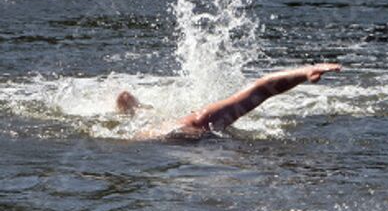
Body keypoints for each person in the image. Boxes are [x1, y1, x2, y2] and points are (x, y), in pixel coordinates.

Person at [116, 63, 341, 139]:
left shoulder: (203, 120)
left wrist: (305, 73)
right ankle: (133, 109)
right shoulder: (202, 124)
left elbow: (261, 88)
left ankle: (133, 108)